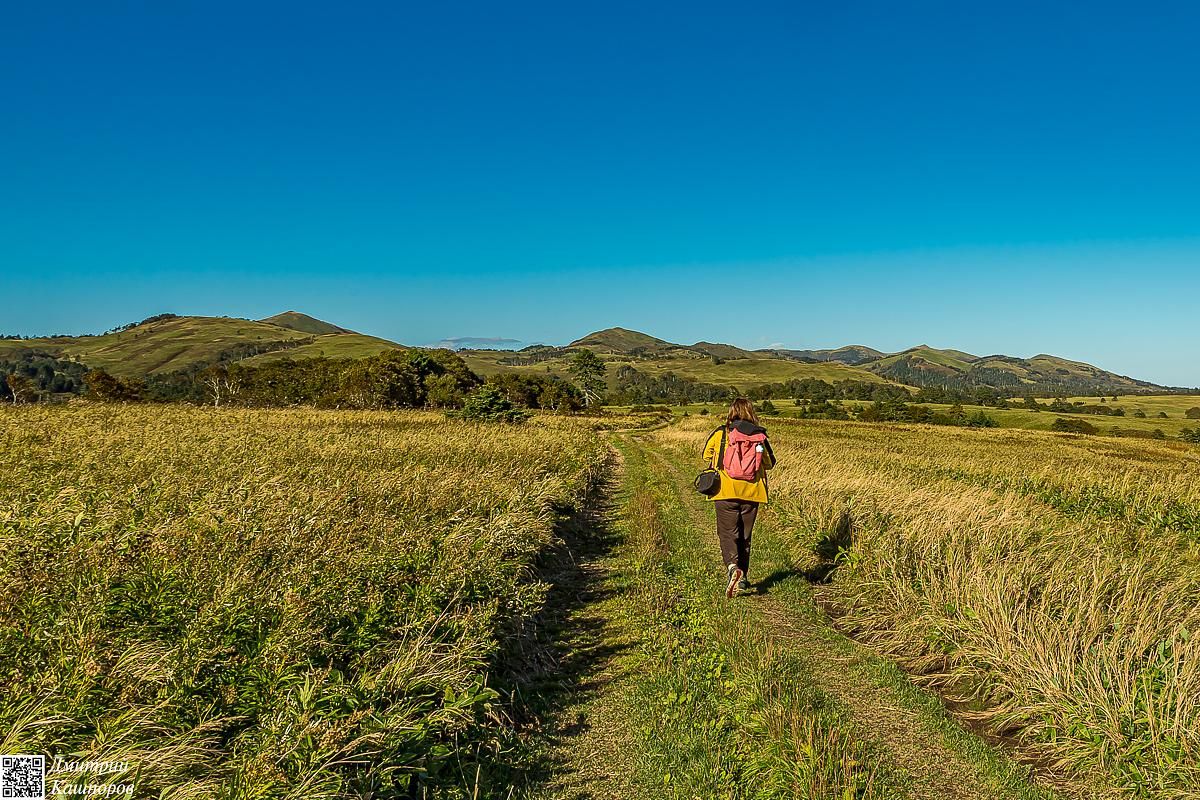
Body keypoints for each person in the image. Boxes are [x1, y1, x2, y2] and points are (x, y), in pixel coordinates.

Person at [702, 398, 776, 597]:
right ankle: (742, 578)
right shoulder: (759, 436)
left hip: (725, 491)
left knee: (728, 533)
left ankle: (733, 568)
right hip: (752, 492)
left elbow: (706, 455)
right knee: (745, 536)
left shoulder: (721, 433)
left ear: (731, 412)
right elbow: (769, 463)